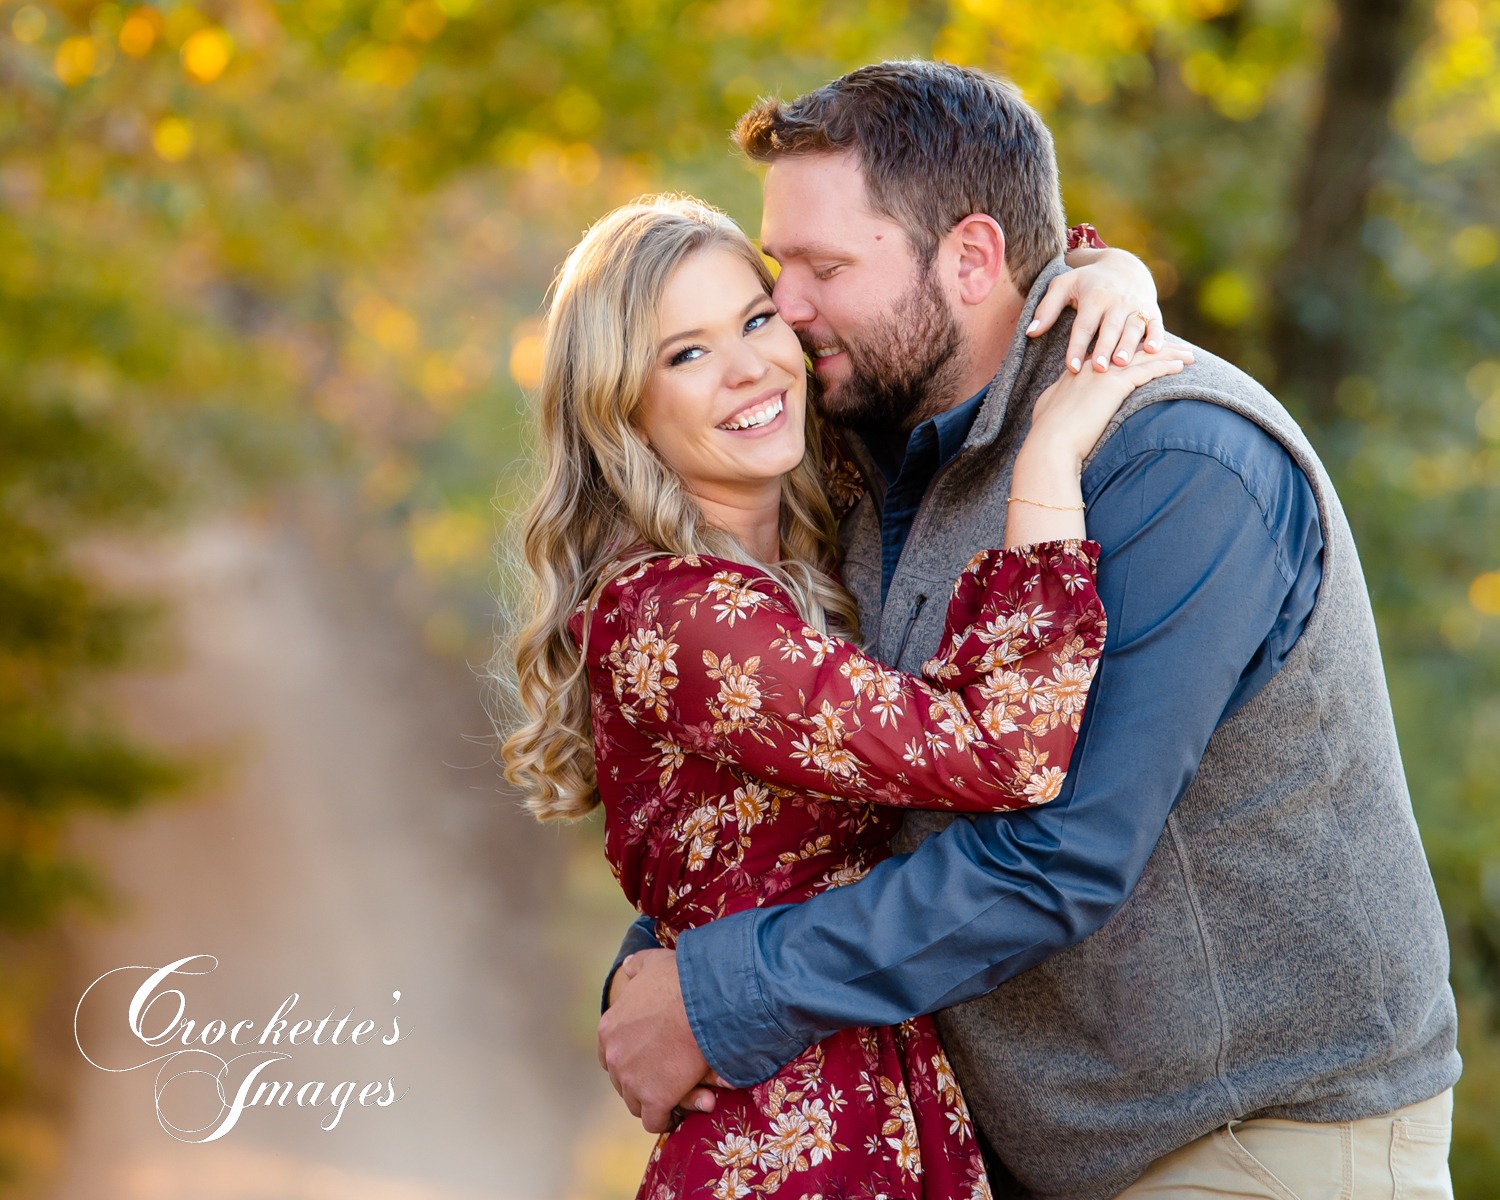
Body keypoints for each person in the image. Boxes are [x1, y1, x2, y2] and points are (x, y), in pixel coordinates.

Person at [599, 61, 1460, 1199]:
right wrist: (658, 970)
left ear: (969, 257)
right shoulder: (872, 441)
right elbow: (795, 776)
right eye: (776, 272)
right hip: (1027, 1151)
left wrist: (719, 992)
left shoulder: (1177, 462)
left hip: (1253, 1143)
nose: (788, 313)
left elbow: (1062, 859)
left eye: (822, 269)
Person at [501, 194, 1190, 1197]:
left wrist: (1117, 274)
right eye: (684, 355)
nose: (746, 369)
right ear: (623, 410)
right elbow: (1000, 755)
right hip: (789, 1139)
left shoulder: (817, 516)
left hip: (880, 1107)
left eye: (755, 318)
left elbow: (981, 282)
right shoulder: (680, 614)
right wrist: (1047, 461)